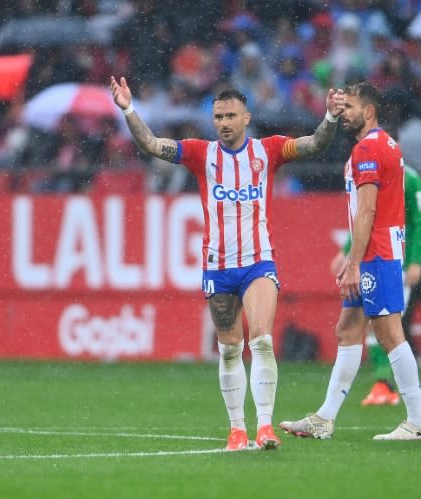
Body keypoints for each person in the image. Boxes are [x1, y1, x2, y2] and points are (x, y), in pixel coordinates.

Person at [110, 75, 345, 451]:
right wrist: (128, 109)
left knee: (263, 341)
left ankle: (265, 427)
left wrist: (330, 118)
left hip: (258, 261)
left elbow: (315, 143)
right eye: (218, 115)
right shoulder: (201, 154)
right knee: (230, 349)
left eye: (230, 115)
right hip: (218, 267)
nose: (223, 122)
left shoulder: (268, 151)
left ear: (246, 117)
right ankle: (237, 430)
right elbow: (152, 144)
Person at [280, 82, 421, 441]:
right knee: (348, 329)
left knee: (390, 334)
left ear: (369, 111)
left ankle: (418, 422)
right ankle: (324, 418)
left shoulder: (367, 150)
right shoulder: (386, 145)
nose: (343, 113)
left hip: (376, 254)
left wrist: (353, 262)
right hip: (381, 251)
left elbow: (367, 212)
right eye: (341, 106)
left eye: (349, 107)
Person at [329, 164, 421, 406]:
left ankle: (392, 389)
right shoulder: (366, 174)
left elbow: (420, 222)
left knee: (387, 327)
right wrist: (346, 253)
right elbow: (363, 219)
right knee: (364, 327)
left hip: (394, 262)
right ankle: (383, 384)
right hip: (370, 260)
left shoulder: (412, 179)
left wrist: (416, 261)